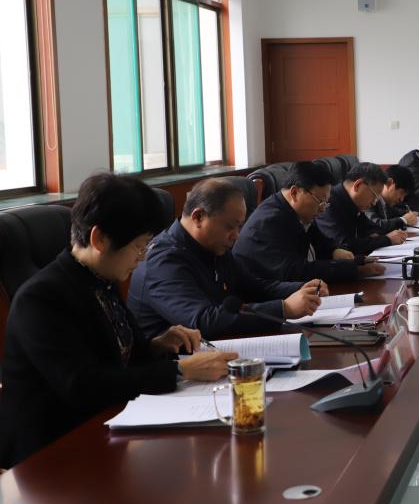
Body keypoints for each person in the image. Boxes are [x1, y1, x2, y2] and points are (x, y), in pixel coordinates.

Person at [0, 174, 237, 468]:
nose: (142, 258)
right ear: (99, 239)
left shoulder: (101, 280)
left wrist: (156, 345)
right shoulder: (41, 298)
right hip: (49, 453)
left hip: (106, 425)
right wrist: (180, 370)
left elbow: (115, 359)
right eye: (138, 247)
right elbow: (83, 385)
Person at [128, 178, 324, 340]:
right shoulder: (162, 262)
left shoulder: (213, 246)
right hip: (175, 366)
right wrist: (284, 309)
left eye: (239, 227)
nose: (236, 235)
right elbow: (202, 321)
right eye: (230, 227)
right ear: (198, 217)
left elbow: (255, 288)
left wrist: (301, 289)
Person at [233, 161, 384, 283]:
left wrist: (355, 260)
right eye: (320, 201)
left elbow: (320, 242)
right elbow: (296, 271)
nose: (323, 209)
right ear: (295, 192)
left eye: (326, 203)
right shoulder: (270, 221)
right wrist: (355, 271)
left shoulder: (294, 211)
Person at [317, 162, 408, 255]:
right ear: (358, 185)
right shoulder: (329, 204)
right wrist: (387, 239)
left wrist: (377, 236)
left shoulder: (353, 202)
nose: (374, 202)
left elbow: (370, 228)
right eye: (374, 196)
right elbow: (344, 246)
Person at [364, 164, 419, 233]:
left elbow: (403, 212)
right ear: (389, 183)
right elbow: (375, 225)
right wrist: (403, 220)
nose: (401, 199)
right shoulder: (369, 199)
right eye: (401, 193)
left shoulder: (388, 203)